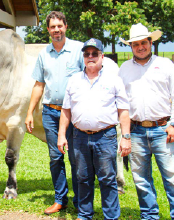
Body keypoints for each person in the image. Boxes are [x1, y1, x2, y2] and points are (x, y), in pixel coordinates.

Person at [119, 23, 174, 219]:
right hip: (136, 131)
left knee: (173, 178)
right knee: (141, 180)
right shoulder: (124, 69)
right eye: (136, 44)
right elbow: (120, 102)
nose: (140, 47)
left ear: (151, 42)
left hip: (162, 129)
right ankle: (150, 216)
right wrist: (124, 133)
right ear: (131, 46)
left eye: (144, 42)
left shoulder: (165, 64)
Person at [57, 38, 131, 220]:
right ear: (83, 57)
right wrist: (61, 135)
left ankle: (111, 217)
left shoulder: (114, 80)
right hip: (80, 137)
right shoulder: (74, 80)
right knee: (82, 178)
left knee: (107, 179)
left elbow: (123, 111)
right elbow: (66, 111)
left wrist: (126, 136)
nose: (90, 57)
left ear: (102, 56)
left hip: (105, 137)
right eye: (87, 54)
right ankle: (84, 215)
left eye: (94, 53)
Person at [25, 11, 84, 215]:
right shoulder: (44, 54)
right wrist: (30, 112)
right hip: (50, 113)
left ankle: (80, 201)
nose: (56, 30)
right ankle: (61, 199)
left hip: (75, 114)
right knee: (55, 157)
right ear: (48, 30)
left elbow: (91, 78)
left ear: (66, 26)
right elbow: (39, 84)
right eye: (52, 27)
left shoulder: (79, 50)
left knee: (77, 158)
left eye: (60, 26)